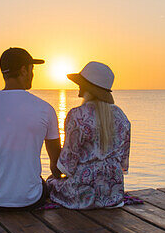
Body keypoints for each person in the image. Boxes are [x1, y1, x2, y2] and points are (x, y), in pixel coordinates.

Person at [0, 47, 62, 210]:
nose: (33, 74)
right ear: (24, 70)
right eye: (32, 69)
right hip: (31, 200)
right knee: (43, 183)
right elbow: (56, 164)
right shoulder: (45, 109)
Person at [49, 61, 131, 209]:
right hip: (113, 195)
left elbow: (67, 165)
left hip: (82, 196)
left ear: (86, 86)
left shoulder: (77, 115)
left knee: (50, 183)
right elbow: (123, 164)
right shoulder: (121, 116)